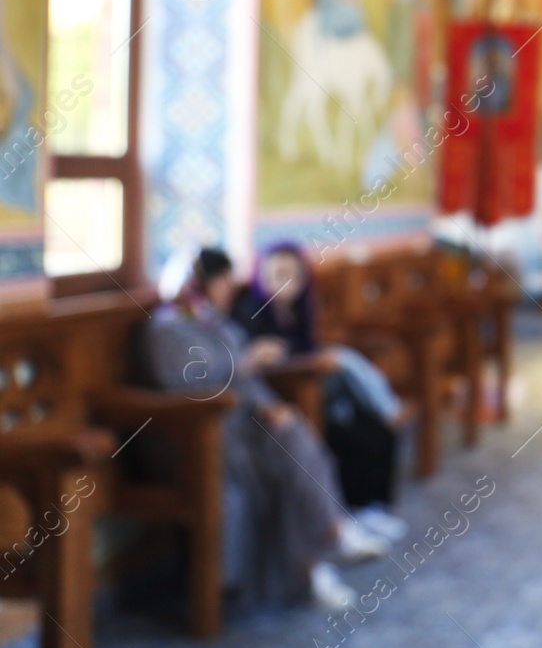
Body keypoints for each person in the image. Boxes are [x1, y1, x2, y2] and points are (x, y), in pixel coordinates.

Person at [144, 249, 388, 610]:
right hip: (198, 433)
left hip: (241, 422)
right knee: (275, 460)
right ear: (199, 283)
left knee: (292, 432)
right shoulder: (167, 329)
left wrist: (267, 404)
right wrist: (244, 362)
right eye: (222, 280)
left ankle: (324, 546)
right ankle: (316, 556)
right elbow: (187, 383)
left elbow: (249, 383)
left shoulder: (217, 323)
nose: (229, 288)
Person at [230, 243, 408, 539]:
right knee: (350, 436)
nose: (284, 281)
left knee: (379, 429)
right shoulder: (252, 311)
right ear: (262, 275)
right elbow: (258, 364)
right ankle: (351, 511)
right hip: (288, 399)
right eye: (277, 273)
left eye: (292, 274)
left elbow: (305, 348)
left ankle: (374, 508)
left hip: (319, 389)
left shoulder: (298, 309)